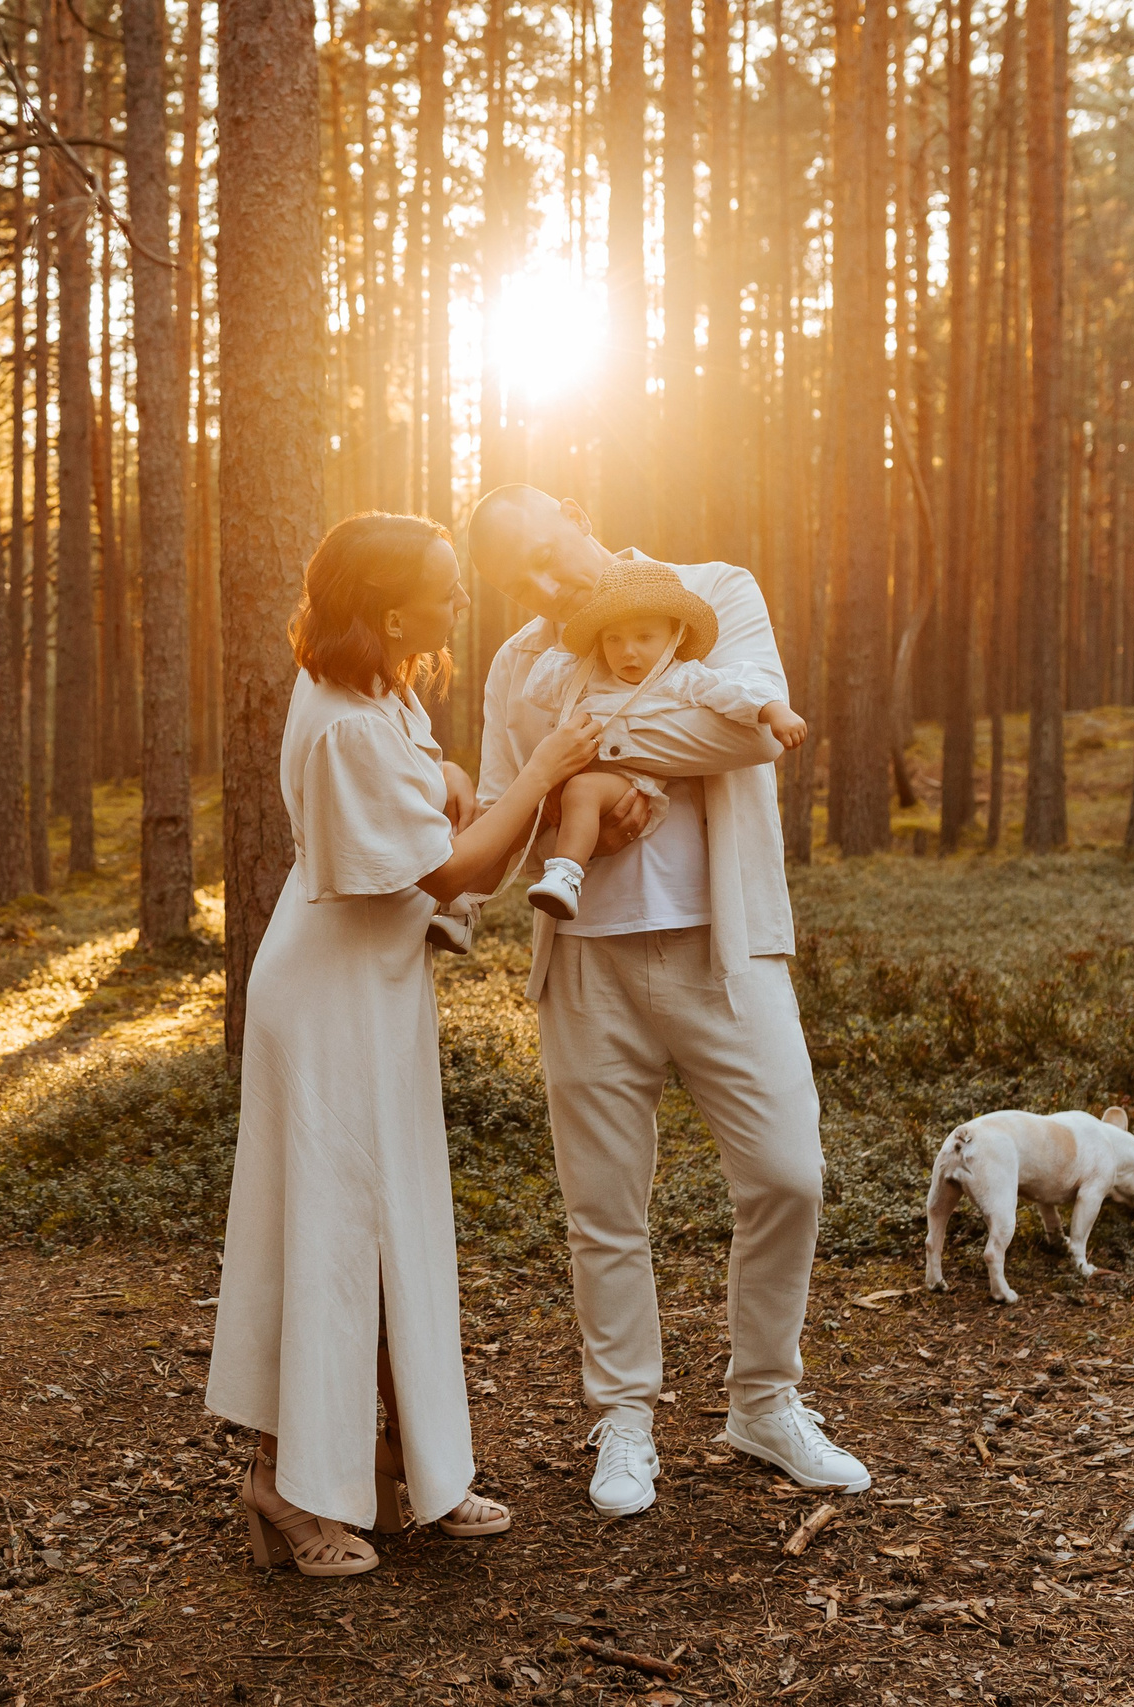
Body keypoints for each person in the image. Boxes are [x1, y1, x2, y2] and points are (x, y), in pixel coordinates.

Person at [206, 511, 603, 1576]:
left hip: (374, 990)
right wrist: (545, 769)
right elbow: (456, 872)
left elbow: (437, 807)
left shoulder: (383, 690)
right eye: (444, 589)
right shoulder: (341, 721)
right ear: (390, 612)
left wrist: (467, 787)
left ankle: (398, 1471)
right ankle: (281, 1490)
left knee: (390, 1230)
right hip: (328, 1001)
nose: (462, 601)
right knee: (330, 1234)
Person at [468, 484, 869, 1519]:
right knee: (603, 1211)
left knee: (788, 1174)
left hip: (722, 951)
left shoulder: (712, 591)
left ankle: (764, 1403)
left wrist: (581, 764)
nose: (548, 585)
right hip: (584, 963)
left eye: (551, 552)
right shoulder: (518, 662)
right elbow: (503, 809)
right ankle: (625, 1418)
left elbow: (741, 737)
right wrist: (557, 790)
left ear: (577, 512)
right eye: (521, 579)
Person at [518, 560, 808, 919]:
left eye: (644, 637)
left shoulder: (680, 677)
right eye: (613, 639)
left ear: (676, 636)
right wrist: (573, 647)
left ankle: (565, 874)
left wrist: (774, 710)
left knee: (582, 791)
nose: (627, 652)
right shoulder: (591, 675)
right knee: (555, 794)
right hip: (578, 769)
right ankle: (474, 901)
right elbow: (538, 689)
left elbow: (731, 689)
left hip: (629, 778)